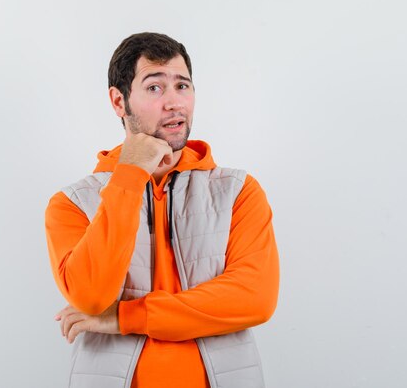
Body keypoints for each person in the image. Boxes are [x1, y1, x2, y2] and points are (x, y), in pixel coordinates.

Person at [45, 32, 279, 388]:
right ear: (118, 101)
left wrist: (124, 318)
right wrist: (129, 176)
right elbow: (92, 296)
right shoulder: (72, 204)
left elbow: (255, 298)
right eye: (155, 88)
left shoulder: (237, 191)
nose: (174, 103)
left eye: (182, 86)